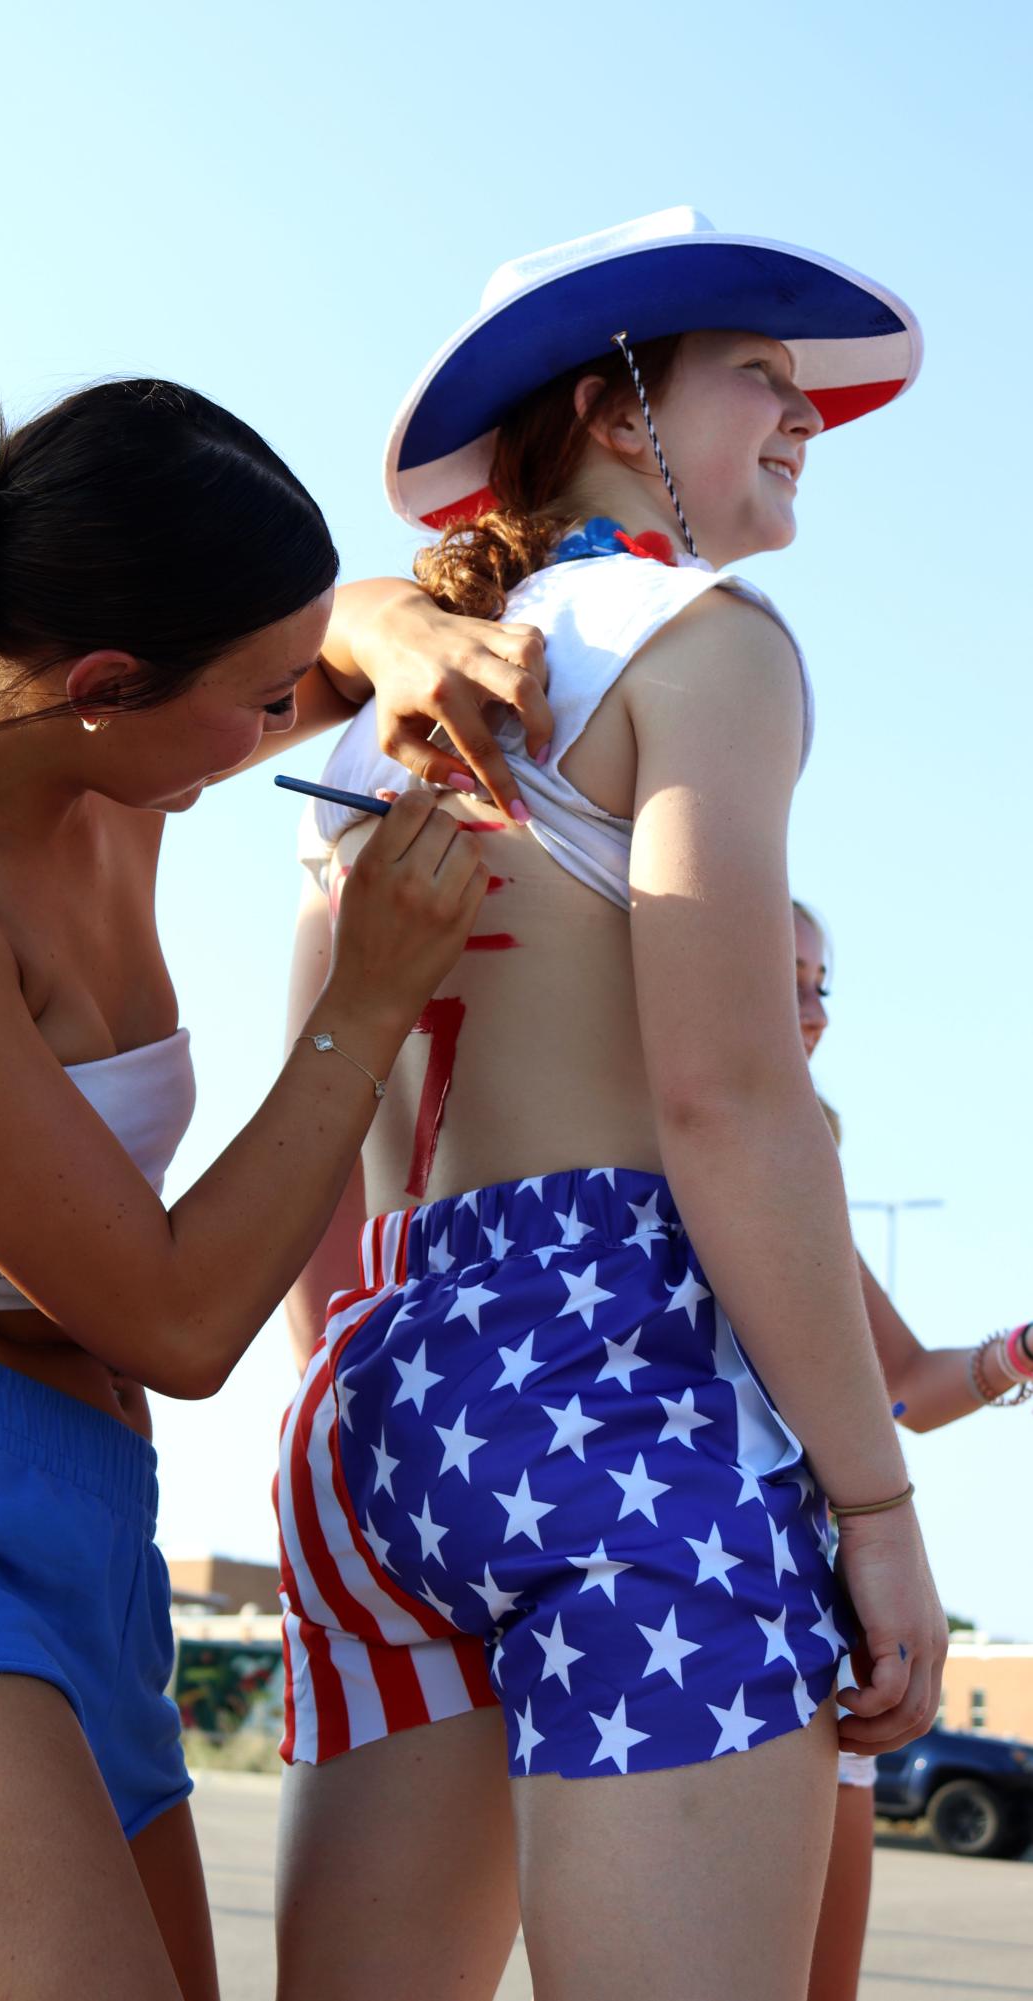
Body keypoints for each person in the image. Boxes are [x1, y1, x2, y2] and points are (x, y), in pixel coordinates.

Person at [0, 376, 554, 2001]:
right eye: (266, 697)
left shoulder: (115, 763)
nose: (298, 719)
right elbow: (174, 1318)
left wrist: (392, 632)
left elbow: (336, 632)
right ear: (103, 680)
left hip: (91, 1542)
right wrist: (367, 999)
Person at [273, 209, 947, 2001]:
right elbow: (731, 1099)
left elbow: (321, 1138)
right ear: (619, 406)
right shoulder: (709, 644)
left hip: (379, 1402)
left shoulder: (367, 727)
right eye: (760, 378)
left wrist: (368, 1384)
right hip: (631, 1388)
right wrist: (876, 1512)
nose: (802, 418)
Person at [795, 898, 1032, 2001]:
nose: (815, 1012)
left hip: (807, 1623)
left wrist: (1022, 1350)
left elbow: (903, 1390)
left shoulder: (799, 1173)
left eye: (822, 984)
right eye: (785, 975)